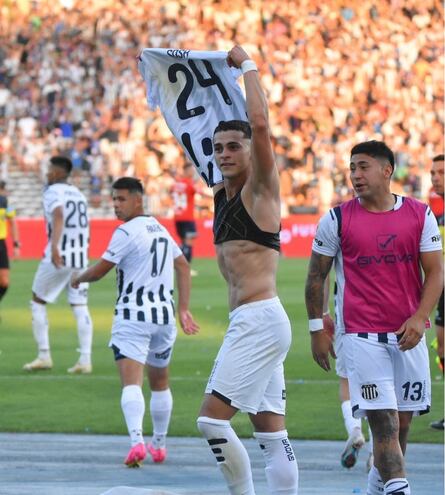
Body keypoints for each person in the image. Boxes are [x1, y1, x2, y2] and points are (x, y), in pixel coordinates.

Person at [305, 140, 443, 495]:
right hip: (361, 340)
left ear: (387, 170)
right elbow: (316, 277)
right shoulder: (336, 219)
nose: (355, 175)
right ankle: (400, 490)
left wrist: (419, 317)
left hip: (408, 337)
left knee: (403, 427)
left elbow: (436, 273)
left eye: (363, 167)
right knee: (384, 425)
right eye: (352, 168)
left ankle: (374, 490)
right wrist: (316, 326)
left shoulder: (419, 213)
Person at [196, 46, 299, 495]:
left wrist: (249, 66)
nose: (223, 154)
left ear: (250, 151)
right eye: (218, 148)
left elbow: (259, 124)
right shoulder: (221, 194)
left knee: (210, 422)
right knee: (272, 437)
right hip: (258, 320)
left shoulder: (261, 190)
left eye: (233, 146)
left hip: (258, 321)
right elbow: (193, 128)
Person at [71, 177, 199, 467]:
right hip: (164, 318)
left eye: (121, 199)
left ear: (137, 200)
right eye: (114, 199)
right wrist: (184, 309)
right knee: (160, 382)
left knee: (131, 383)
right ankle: (160, 445)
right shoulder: (161, 229)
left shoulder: (125, 232)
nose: (115, 205)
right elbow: (182, 265)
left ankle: (137, 443)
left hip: (133, 316)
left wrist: (78, 278)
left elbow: (101, 270)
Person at [23, 156, 93, 373]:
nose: (47, 173)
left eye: (50, 170)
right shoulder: (79, 194)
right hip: (80, 256)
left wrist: (54, 247)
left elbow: (59, 214)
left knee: (37, 301)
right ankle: (85, 360)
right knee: (80, 306)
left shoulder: (53, 191)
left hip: (60, 254)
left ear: (58, 172)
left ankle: (44, 355)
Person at [323, 277, 374, 470]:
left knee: (346, 381)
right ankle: (376, 453)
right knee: (381, 385)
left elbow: (321, 272)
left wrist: (322, 314)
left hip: (346, 315)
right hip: (382, 312)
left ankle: (354, 429)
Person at [429, 154, 444, 431]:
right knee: (442, 349)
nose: (435, 177)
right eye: (433, 173)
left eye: (441, 172)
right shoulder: (437, 215)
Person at [172, 162, 198, 276]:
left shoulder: (177, 184)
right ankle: (186, 268)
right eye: (192, 170)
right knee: (188, 243)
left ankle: (178, 265)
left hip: (177, 217)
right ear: (186, 171)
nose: (193, 172)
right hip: (187, 217)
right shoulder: (189, 184)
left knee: (183, 243)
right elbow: (197, 192)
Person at [0, 180, 20, 308]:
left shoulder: (5, 202)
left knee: (4, 282)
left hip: (1, 244)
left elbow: (12, 222)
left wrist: (16, 244)